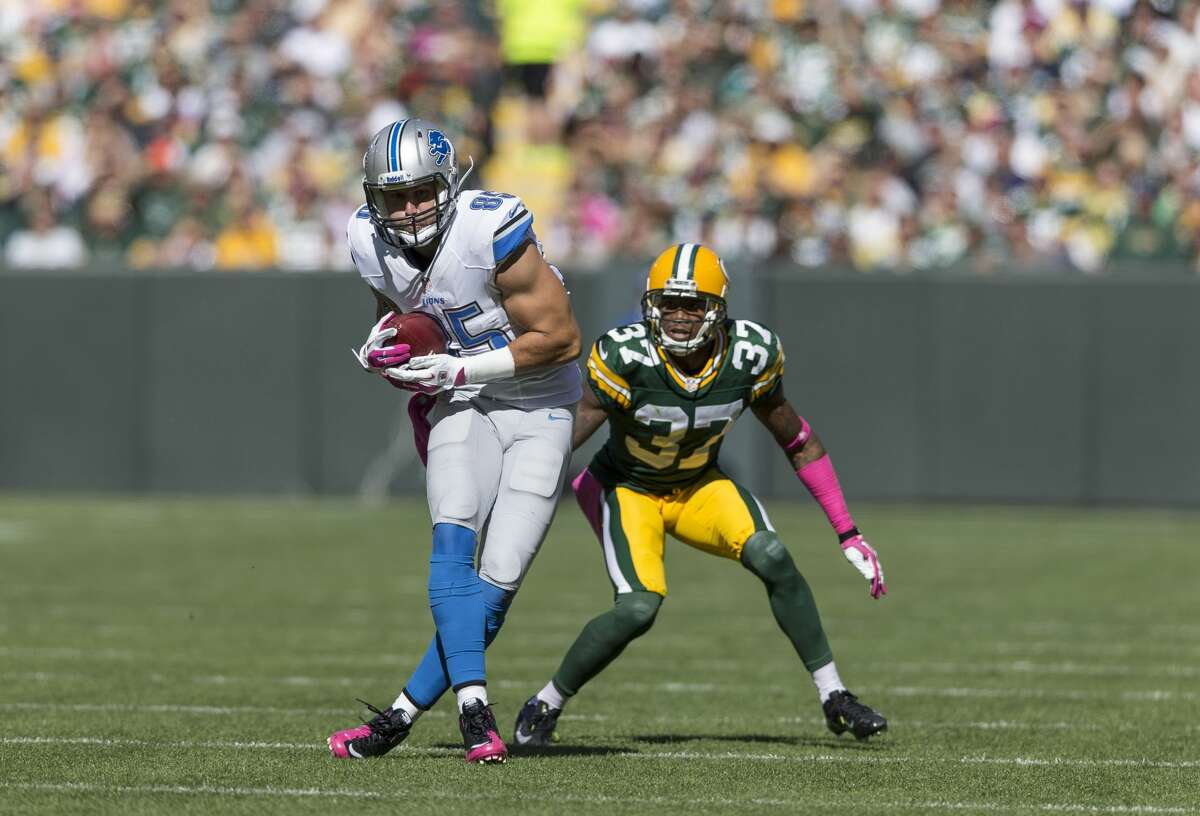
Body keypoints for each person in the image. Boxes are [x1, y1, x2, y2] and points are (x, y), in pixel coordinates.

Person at [513, 243, 888, 746]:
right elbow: (563, 439)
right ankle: (547, 702)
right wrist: (511, 492)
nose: (680, 316)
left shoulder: (750, 356)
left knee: (773, 555)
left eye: (693, 305)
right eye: (669, 303)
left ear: (718, 309)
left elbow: (798, 440)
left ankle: (834, 694)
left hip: (697, 485)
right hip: (628, 487)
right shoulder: (626, 355)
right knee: (638, 608)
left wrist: (848, 531)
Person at [327, 118, 582, 764]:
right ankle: (475, 710)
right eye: (394, 197)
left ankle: (397, 719)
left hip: (540, 401)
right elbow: (406, 323)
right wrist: (393, 353)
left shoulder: (489, 229)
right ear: (372, 199)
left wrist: (463, 367)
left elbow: (561, 339)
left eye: (422, 193)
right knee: (452, 530)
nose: (410, 209)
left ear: (449, 184)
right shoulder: (366, 240)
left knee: (496, 584)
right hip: (462, 395)